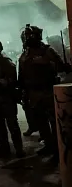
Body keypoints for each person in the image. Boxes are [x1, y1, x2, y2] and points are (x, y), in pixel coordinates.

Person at [19, 25, 70, 163]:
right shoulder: (25, 54)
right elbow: (21, 76)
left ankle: (57, 150)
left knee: (54, 123)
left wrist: (60, 66)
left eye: (29, 35)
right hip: (33, 93)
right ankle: (48, 145)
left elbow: (61, 67)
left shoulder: (47, 51)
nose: (27, 38)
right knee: (40, 122)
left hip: (47, 91)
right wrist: (21, 92)